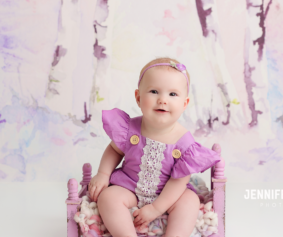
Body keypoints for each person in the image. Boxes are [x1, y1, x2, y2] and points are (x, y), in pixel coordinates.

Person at [88, 57, 221, 237]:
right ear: (138, 97)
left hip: (167, 194)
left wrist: (156, 208)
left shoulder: (184, 143)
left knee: (189, 202)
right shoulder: (129, 129)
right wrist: (103, 174)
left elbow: (179, 180)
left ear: (184, 104)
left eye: (172, 94)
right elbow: (114, 150)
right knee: (108, 198)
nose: (162, 100)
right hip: (129, 186)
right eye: (154, 91)